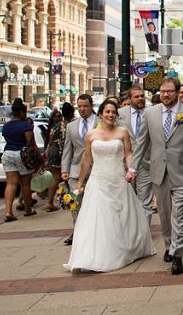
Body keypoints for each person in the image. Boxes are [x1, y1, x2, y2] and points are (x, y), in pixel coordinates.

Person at [64, 100, 156, 274]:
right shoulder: (91, 135)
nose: (110, 115)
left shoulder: (122, 132)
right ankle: (95, 255)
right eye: (107, 112)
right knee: (99, 218)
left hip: (118, 180)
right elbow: (86, 159)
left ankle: (123, 249)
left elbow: (129, 153)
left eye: (113, 112)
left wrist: (131, 170)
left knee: (121, 217)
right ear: (100, 114)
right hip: (98, 181)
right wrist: (80, 182)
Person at [127, 76, 183, 276]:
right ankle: (169, 245)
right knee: (164, 214)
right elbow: (142, 143)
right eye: (162, 91)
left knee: (179, 215)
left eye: (169, 91)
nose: (165, 95)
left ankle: (178, 254)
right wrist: (133, 168)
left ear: (177, 92)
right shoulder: (150, 114)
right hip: (158, 172)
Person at [60, 94, 98, 245]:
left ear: (91, 106)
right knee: (76, 204)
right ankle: (76, 232)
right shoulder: (71, 126)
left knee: (95, 204)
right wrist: (65, 170)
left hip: (96, 169)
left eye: (85, 106)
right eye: (79, 106)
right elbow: (67, 150)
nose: (82, 109)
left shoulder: (100, 122)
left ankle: (95, 232)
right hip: (76, 172)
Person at [117, 85, 153, 224]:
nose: (140, 99)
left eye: (142, 96)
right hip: (125, 163)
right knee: (127, 199)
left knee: (145, 201)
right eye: (136, 96)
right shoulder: (120, 113)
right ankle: (131, 229)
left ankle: (145, 233)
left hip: (146, 163)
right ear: (130, 98)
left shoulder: (152, 113)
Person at [1, 98, 39, 222]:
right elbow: (29, 142)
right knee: (25, 184)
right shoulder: (25, 125)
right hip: (21, 154)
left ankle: (8, 211)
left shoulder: (6, 126)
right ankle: (28, 209)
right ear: (22, 112)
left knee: (11, 183)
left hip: (7, 154)